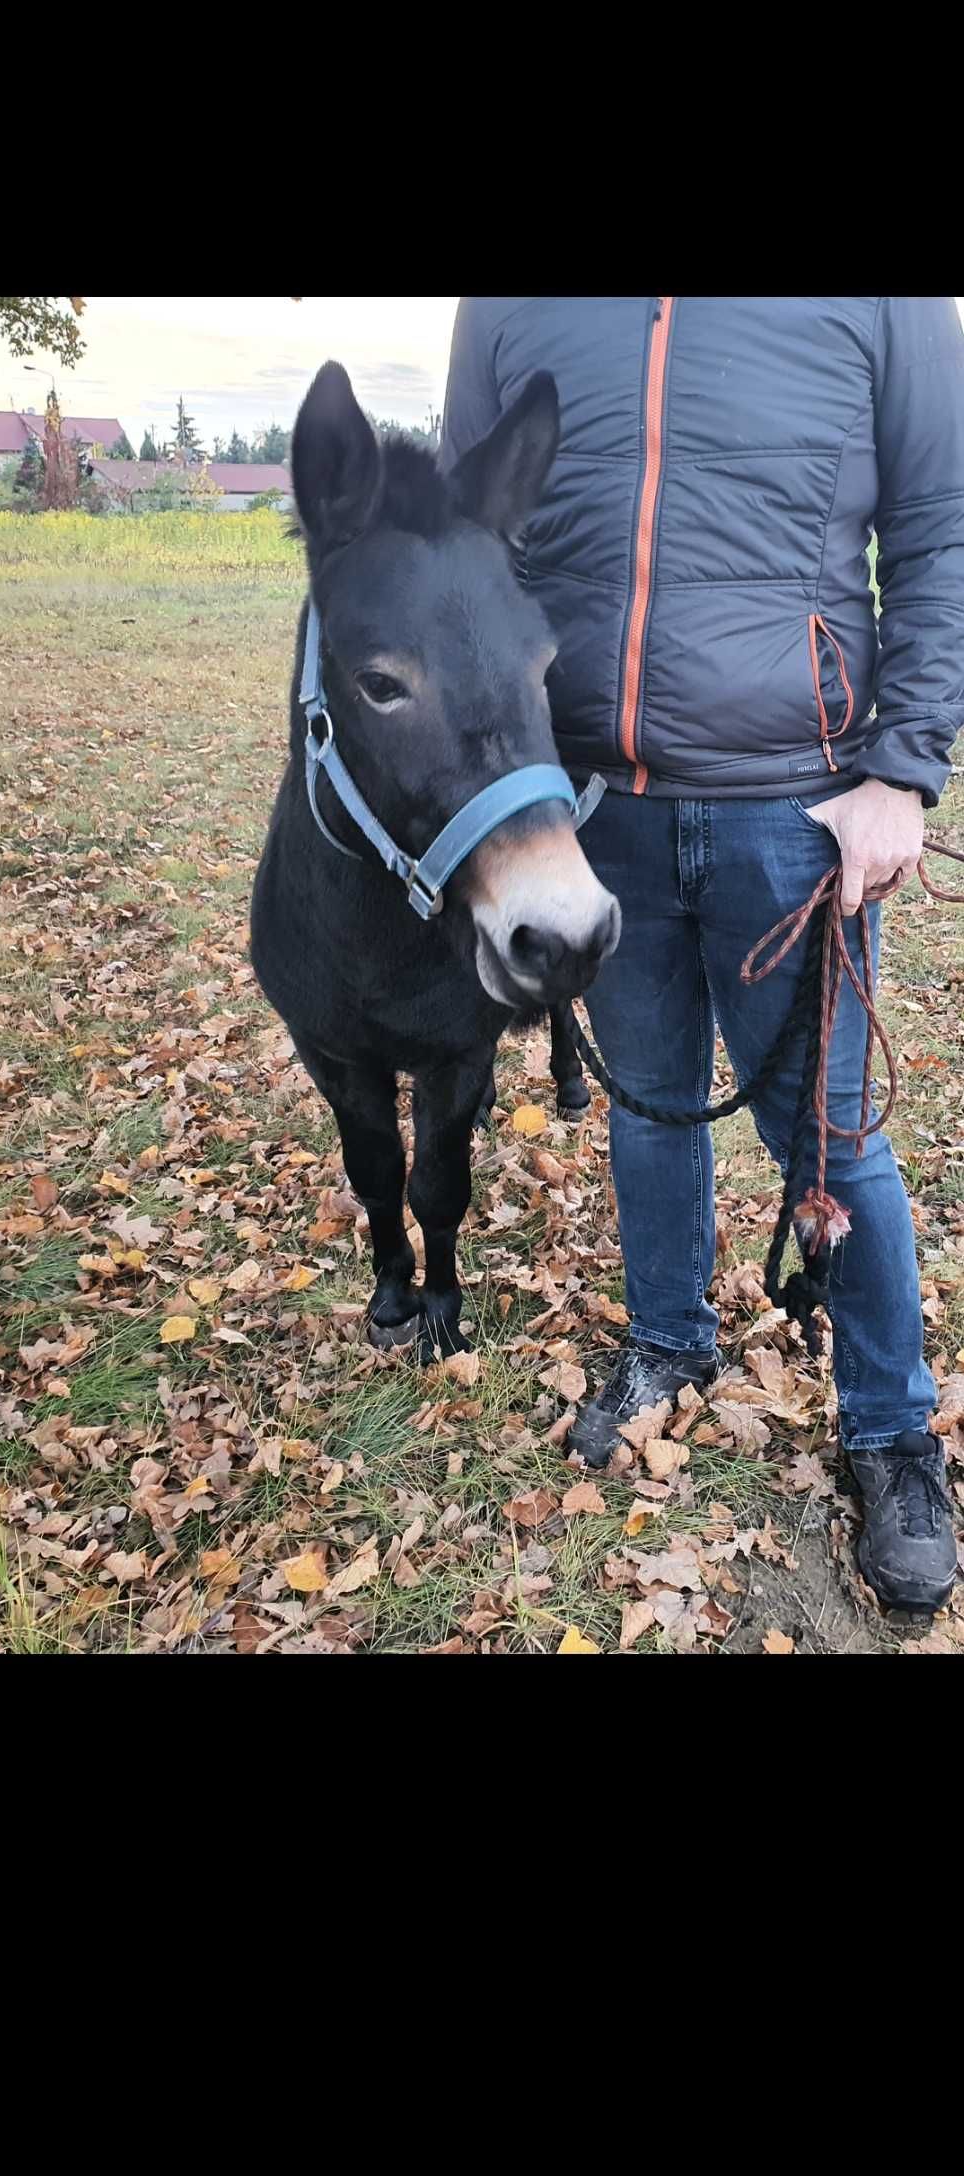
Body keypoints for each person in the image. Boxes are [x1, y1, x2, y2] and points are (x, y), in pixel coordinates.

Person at [440, 297, 964, 1616]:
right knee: (650, 1105)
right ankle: (670, 1348)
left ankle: (892, 1434)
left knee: (833, 1138)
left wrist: (902, 769)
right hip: (589, 807)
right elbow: (462, 542)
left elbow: (944, 528)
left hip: (798, 811)